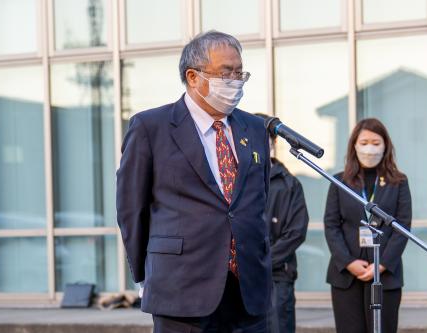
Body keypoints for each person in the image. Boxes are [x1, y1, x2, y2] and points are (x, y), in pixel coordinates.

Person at [116, 30, 272, 333]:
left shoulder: (254, 128)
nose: (236, 81)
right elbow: (130, 209)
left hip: (248, 289)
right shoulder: (151, 127)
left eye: (240, 72)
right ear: (193, 76)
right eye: (227, 72)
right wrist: (148, 272)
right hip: (180, 288)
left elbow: (259, 201)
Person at [323, 118, 412, 333]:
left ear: (385, 146)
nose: (369, 148)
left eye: (375, 142)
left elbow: (403, 227)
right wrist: (348, 261)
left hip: (385, 275)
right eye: (364, 143)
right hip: (346, 275)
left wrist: (382, 265)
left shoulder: (398, 182)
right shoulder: (339, 181)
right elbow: (331, 225)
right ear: (354, 145)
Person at [255, 113, 309, 333]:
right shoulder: (231, 181)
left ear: (273, 143)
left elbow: (296, 233)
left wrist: (263, 261)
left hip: (278, 277)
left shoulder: (290, 185)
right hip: (238, 278)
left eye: (264, 139)